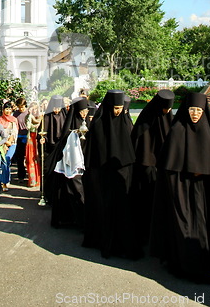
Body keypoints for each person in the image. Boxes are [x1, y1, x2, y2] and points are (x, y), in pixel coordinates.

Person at [151, 92, 210, 284]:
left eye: (199, 110)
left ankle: (200, 264)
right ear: (186, 110)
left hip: (200, 192)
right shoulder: (177, 131)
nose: (195, 114)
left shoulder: (207, 132)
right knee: (182, 226)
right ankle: (182, 264)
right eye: (192, 110)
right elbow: (168, 164)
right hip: (180, 189)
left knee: (200, 227)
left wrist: (203, 172)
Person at [82, 89, 140, 259]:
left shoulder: (124, 123)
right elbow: (94, 157)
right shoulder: (99, 126)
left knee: (123, 211)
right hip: (104, 177)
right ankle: (106, 243)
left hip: (122, 176)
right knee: (106, 210)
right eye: (115, 108)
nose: (118, 111)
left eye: (120, 108)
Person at [130, 89, 174, 244]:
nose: (166, 112)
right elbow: (138, 143)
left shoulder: (169, 118)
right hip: (147, 167)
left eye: (169, 109)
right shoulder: (145, 120)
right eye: (164, 108)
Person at [45, 97, 88, 228]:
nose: (84, 113)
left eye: (85, 111)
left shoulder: (87, 122)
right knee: (75, 192)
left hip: (84, 162)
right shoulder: (71, 127)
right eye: (81, 111)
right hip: (71, 164)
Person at [0, 101, 19, 191]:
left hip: (12, 144)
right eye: (6, 109)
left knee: (7, 159)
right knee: (2, 162)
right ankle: (4, 179)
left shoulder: (14, 120)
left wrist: (9, 142)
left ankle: (5, 182)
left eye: (10, 109)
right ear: (3, 109)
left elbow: (14, 132)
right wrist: (4, 142)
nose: (8, 111)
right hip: (1, 144)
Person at [25, 102, 42, 188]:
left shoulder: (41, 117)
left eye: (36, 109)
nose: (35, 111)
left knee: (38, 158)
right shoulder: (28, 117)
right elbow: (28, 126)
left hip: (38, 139)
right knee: (31, 158)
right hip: (31, 138)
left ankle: (39, 180)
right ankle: (32, 179)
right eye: (33, 109)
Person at [13, 97, 28, 181]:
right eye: (19, 107)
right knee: (20, 157)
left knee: (29, 157)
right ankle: (21, 175)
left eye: (22, 107)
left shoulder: (28, 113)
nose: (21, 109)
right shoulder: (16, 114)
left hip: (27, 136)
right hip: (19, 136)